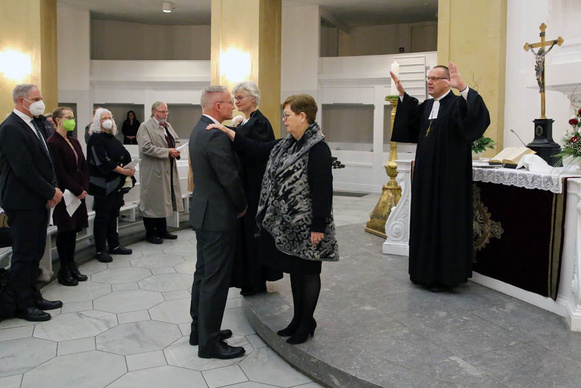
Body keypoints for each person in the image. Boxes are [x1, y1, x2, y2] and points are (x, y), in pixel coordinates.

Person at [208, 94, 339, 345]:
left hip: (309, 226)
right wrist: (228, 131)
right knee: (297, 273)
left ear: (303, 116)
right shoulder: (288, 144)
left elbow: (323, 190)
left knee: (309, 273)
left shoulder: (318, 148)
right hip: (289, 227)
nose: (284, 120)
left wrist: (318, 226)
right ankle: (298, 319)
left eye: (288, 115)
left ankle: (307, 322)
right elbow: (257, 149)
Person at [390, 62, 491, 292]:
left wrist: (464, 88)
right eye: (429, 77)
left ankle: (445, 276)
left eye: (435, 78)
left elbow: (478, 117)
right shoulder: (427, 106)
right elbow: (411, 120)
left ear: (447, 82)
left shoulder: (457, 104)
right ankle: (423, 272)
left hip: (449, 180)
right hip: (426, 177)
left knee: (445, 222)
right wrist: (403, 94)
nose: (430, 81)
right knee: (425, 218)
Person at [189, 85, 247, 360]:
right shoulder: (215, 136)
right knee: (215, 279)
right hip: (218, 216)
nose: (232, 107)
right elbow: (229, 177)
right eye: (228, 103)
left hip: (203, 213)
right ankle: (209, 343)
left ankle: (199, 330)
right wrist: (242, 205)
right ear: (217, 107)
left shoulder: (199, 128)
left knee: (203, 274)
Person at [0, 84, 64, 322]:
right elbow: (23, 169)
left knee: (36, 250)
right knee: (24, 254)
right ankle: (23, 304)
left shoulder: (32, 124)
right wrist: (50, 191)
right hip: (22, 200)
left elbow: (43, 161)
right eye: (36, 98)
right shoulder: (10, 128)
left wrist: (51, 189)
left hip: (37, 198)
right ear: (21, 101)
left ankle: (34, 295)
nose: (41, 101)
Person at [229, 81, 282, 296]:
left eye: (240, 97)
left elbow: (258, 151)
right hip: (247, 185)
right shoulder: (248, 121)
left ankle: (255, 281)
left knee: (254, 235)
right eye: (235, 98)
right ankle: (248, 279)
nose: (237, 101)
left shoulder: (260, 122)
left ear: (253, 98)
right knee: (246, 235)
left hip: (255, 188)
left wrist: (232, 132)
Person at [47, 107, 89, 287]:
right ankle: (64, 270)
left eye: (72, 117)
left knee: (74, 231)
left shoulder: (74, 140)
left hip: (78, 192)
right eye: (68, 117)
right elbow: (59, 172)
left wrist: (83, 188)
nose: (72, 120)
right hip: (66, 193)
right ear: (57, 120)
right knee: (65, 231)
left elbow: (84, 165)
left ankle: (72, 265)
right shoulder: (53, 142)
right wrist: (77, 189)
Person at [87, 108, 135, 263]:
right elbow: (102, 161)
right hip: (103, 185)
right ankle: (100, 249)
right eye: (104, 118)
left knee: (113, 216)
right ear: (97, 122)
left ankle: (114, 245)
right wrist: (123, 170)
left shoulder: (112, 137)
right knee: (102, 217)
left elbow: (125, 154)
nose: (108, 120)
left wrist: (130, 167)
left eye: (110, 117)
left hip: (116, 185)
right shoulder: (95, 138)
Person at [137, 102, 183, 244]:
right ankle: (151, 233)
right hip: (153, 169)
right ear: (154, 112)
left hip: (167, 167)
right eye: (162, 112)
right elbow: (146, 147)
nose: (165, 114)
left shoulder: (167, 126)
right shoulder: (145, 126)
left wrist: (177, 149)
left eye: (166, 112)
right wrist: (167, 151)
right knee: (153, 201)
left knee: (163, 200)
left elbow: (175, 140)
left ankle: (162, 230)